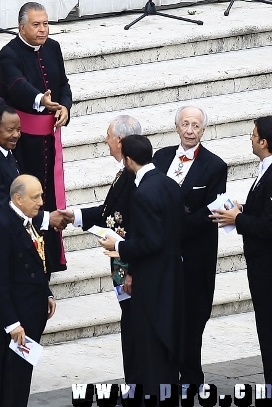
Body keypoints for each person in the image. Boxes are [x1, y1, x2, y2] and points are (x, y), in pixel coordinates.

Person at [0, 105, 62, 393]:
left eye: (18, 129)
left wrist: (45, 291)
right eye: (11, 130)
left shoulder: (6, 155)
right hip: (7, 275)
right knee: (6, 367)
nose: (17, 135)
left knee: (17, 371)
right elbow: (0, 203)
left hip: (28, 291)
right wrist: (46, 219)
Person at [58, 116, 142, 387]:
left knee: (135, 328)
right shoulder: (125, 172)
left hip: (129, 264)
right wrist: (75, 216)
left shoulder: (135, 177)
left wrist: (133, 273)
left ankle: (138, 386)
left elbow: (132, 224)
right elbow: (108, 213)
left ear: (120, 140)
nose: (104, 140)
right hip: (121, 264)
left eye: (108, 135)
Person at [99, 134, 184, 398]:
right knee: (166, 339)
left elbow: (151, 242)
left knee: (151, 342)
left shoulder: (143, 193)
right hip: (172, 274)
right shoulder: (169, 184)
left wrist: (119, 246)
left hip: (152, 280)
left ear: (128, 160)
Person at [152, 106, 227, 389]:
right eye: (185, 124)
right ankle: (166, 370)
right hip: (162, 253)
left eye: (196, 125)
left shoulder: (215, 165)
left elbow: (210, 211)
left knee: (193, 316)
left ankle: (192, 375)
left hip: (195, 254)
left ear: (203, 130)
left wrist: (171, 230)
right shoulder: (160, 157)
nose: (190, 130)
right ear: (177, 126)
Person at [0, 1, 73, 274]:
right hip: (21, 143)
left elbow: (62, 83)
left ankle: (50, 262)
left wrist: (64, 106)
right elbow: (17, 86)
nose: (43, 30)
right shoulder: (7, 54)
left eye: (46, 24)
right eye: (36, 25)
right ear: (21, 27)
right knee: (26, 198)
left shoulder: (53, 47)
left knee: (48, 198)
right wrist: (42, 100)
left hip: (48, 141)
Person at [0, 175, 57, 407]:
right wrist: (12, 323)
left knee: (21, 375)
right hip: (17, 317)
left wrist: (47, 293)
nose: (41, 202)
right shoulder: (2, 226)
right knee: (12, 377)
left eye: (41, 196)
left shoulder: (26, 220)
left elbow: (38, 262)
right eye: (35, 197)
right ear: (18, 198)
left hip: (32, 310)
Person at [210, 116, 272, 383]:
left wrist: (238, 219)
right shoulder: (264, 169)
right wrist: (241, 211)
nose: (250, 138)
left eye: (254, 134)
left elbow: (269, 226)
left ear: (264, 142)